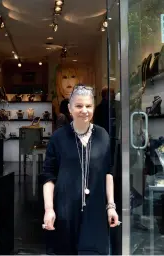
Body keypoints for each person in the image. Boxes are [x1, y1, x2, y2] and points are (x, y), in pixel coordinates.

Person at [40, 84, 119, 255]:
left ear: (93, 107)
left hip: (96, 211)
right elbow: (48, 177)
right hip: (65, 212)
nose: (84, 110)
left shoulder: (103, 136)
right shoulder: (58, 138)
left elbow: (108, 173)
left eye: (88, 106)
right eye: (79, 106)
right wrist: (49, 209)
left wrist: (111, 206)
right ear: (70, 108)